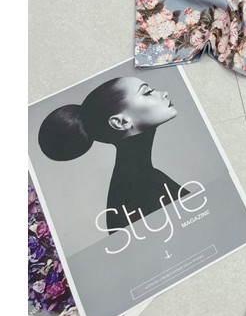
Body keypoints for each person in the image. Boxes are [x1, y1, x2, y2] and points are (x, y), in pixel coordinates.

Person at [38, 76, 189, 232]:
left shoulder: (134, 181)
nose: (164, 93)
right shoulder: (142, 184)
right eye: (147, 92)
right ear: (121, 122)